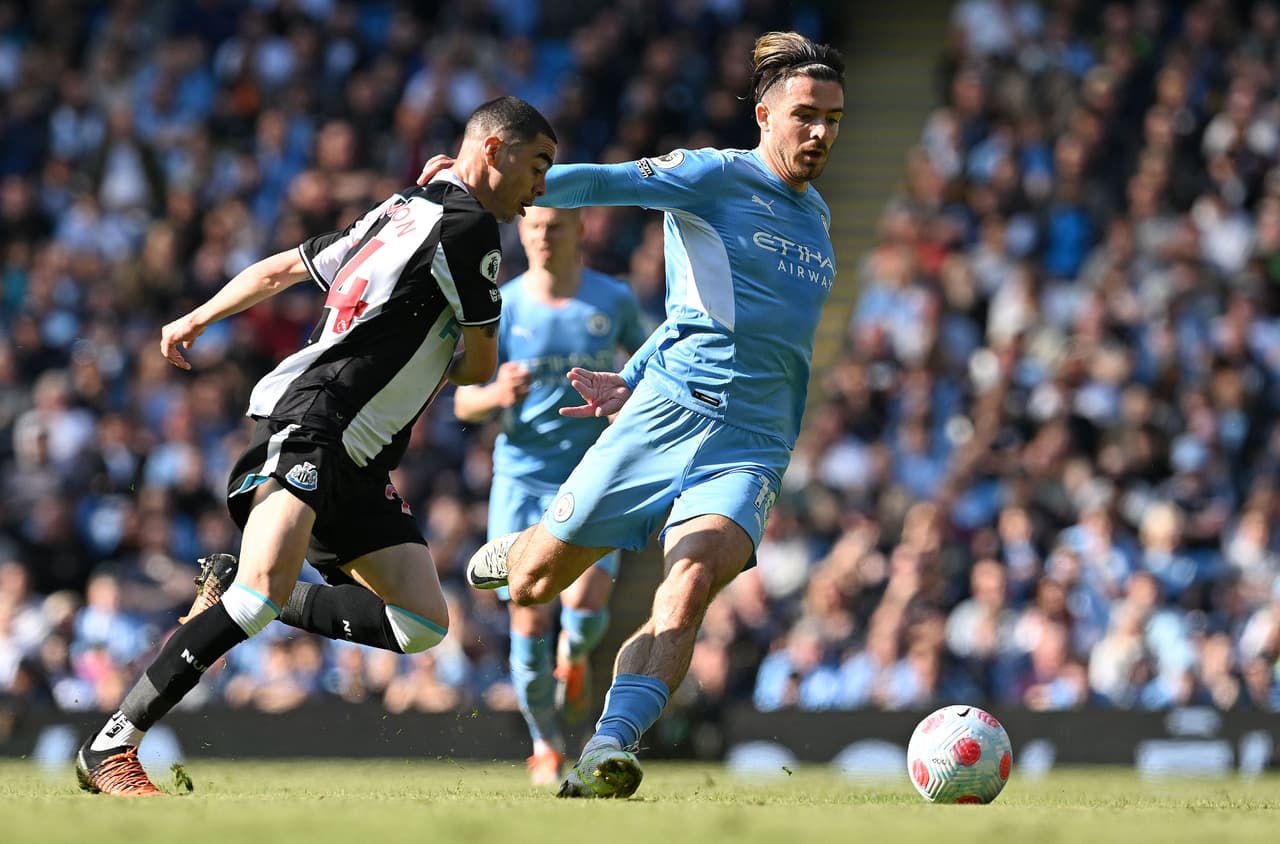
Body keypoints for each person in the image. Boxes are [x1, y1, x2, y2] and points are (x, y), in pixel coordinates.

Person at [74, 96, 557, 797]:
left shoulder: (400, 211)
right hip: (319, 420)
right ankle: (113, 744)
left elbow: (283, 271)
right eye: (537, 166)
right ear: (492, 152)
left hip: (359, 458)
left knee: (420, 622)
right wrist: (472, 329)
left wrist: (198, 315)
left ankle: (240, 583)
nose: (540, 188)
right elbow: (478, 373)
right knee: (258, 597)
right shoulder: (470, 228)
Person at [423, 31, 844, 798]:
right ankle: (525, 546)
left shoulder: (817, 221)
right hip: (665, 418)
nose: (820, 133)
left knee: (686, 587)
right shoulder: (712, 175)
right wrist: (481, 181)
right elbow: (596, 185)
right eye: (806, 115)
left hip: (752, 444)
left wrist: (633, 367)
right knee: (535, 587)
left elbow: (716, 317)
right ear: (764, 115)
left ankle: (609, 746)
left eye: (833, 120)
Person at [453, 204, 648, 785]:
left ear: (580, 229)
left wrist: (624, 402)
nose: (542, 236)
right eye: (533, 226)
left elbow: (650, 373)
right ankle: (545, 745)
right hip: (520, 479)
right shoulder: (504, 303)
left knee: (585, 603)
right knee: (528, 619)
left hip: (591, 475)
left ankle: (578, 654)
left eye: (555, 226)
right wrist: (493, 396)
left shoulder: (611, 300)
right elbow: (462, 398)